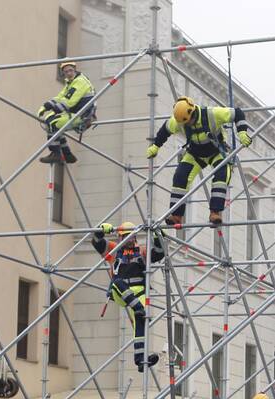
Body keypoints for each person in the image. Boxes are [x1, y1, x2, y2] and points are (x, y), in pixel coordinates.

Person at [145, 96, 252, 226]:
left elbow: (237, 113)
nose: (188, 125)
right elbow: (165, 130)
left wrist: (242, 133)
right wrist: (156, 146)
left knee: (222, 175)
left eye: (189, 121)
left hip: (216, 151)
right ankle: (176, 214)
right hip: (195, 153)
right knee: (180, 176)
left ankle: (215, 212)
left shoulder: (212, 114)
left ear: (193, 112)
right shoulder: (180, 121)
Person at [93, 221, 165, 371]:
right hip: (120, 292)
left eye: (131, 236)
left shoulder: (142, 251)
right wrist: (102, 229)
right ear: (119, 237)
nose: (129, 239)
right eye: (125, 236)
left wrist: (158, 235)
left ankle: (140, 359)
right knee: (118, 282)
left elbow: (159, 252)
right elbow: (97, 241)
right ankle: (138, 307)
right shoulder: (114, 250)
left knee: (140, 321)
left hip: (138, 293)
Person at [37, 59, 95, 164]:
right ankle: (67, 155)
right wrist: (46, 106)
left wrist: (55, 109)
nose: (68, 73)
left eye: (70, 70)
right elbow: (60, 96)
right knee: (49, 120)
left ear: (75, 70)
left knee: (52, 123)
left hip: (83, 116)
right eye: (66, 72)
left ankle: (56, 154)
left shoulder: (80, 81)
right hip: (76, 113)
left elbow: (69, 102)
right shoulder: (71, 82)